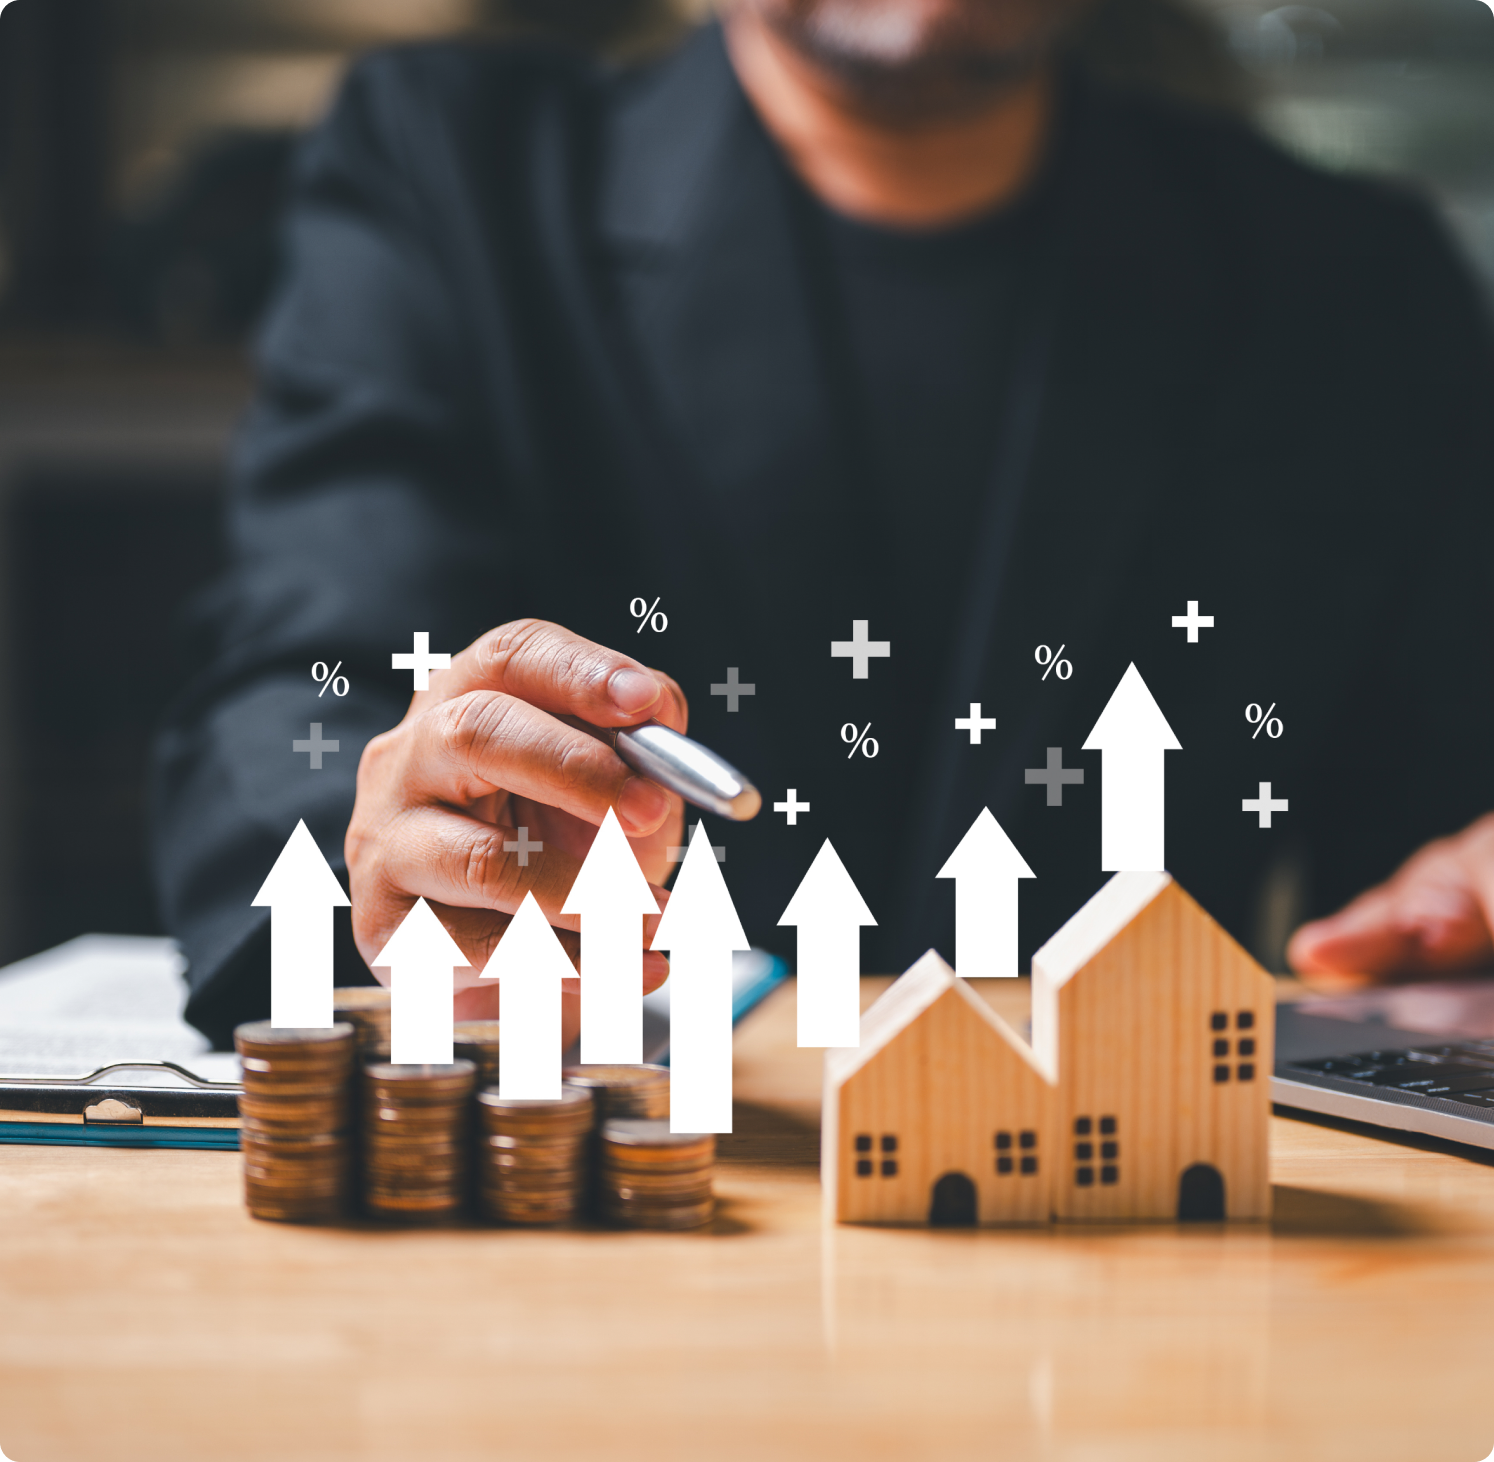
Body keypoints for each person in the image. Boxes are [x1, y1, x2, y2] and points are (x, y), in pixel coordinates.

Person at [152, 0, 1494, 1047]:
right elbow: (303, 686)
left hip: (1149, 1281)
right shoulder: (457, 177)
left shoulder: (1355, 288)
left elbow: (1429, 864)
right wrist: (379, 844)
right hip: (621, 1266)